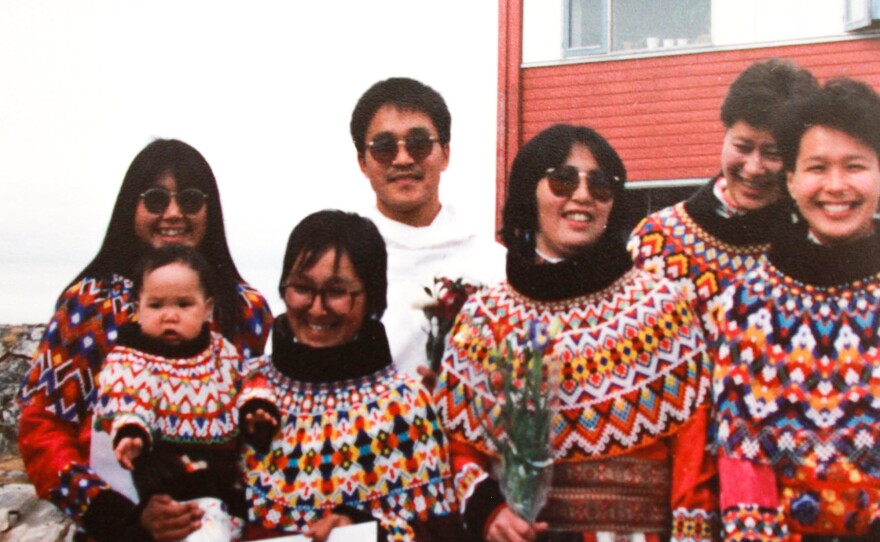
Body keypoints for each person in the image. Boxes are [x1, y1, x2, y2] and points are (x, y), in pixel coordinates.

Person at [434, 124, 716, 542]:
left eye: (600, 185)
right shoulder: (484, 318)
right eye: (563, 180)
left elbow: (696, 457)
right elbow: (455, 446)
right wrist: (489, 511)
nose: (582, 196)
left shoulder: (661, 307)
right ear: (530, 191)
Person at [18, 139, 273, 542]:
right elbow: (43, 427)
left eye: (190, 199)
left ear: (211, 209)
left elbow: (261, 423)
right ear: (130, 208)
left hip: (224, 520)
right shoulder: (89, 305)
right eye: (155, 199)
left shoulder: (246, 310)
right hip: (114, 524)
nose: (173, 213)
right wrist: (117, 515)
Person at [713, 78, 880, 540]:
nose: (836, 186)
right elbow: (741, 454)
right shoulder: (747, 305)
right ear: (790, 180)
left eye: (855, 166)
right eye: (816, 167)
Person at [240, 210, 463, 542]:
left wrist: (367, 532)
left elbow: (439, 534)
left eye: (337, 292)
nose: (316, 308)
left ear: (371, 296)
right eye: (301, 288)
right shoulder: (245, 387)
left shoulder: (405, 406)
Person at [628, 58, 818, 339]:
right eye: (742, 146)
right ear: (725, 135)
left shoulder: (818, 245)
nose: (754, 168)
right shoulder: (656, 241)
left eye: (773, 153)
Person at [350, 77, 505, 379]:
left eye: (419, 144)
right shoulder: (342, 260)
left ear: (445, 154)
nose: (403, 158)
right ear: (363, 163)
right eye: (384, 147)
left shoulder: (493, 265)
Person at [94, 245, 250, 541]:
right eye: (156, 305)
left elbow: (243, 387)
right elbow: (129, 396)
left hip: (226, 474)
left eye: (183, 304)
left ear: (207, 308)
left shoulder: (222, 353)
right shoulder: (130, 358)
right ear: (136, 309)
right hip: (170, 480)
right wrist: (131, 431)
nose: (169, 316)